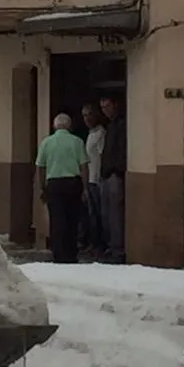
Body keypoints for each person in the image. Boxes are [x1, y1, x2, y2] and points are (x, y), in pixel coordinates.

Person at [35, 113, 90, 264]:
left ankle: (58, 253)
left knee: (57, 220)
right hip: (73, 184)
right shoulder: (77, 142)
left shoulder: (46, 143)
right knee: (72, 219)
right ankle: (71, 253)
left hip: (54, 184)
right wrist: (85, 188)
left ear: (54, 126)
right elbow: (84, 166)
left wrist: (42, 187)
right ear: (69, 126)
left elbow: (40, 166)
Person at [99, 95, 127, 264]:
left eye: (107, 105)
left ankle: (117, 248)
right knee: (107, 214)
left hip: (115, 174)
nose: (105, 110)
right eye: (102, 107)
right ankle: (111, 245)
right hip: (107, 174)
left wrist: (116, 169)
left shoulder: (121, 124)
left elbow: (121, 149)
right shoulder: (110, 125)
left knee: (116, 213)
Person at [81, 103, 107, 261]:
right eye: (84, 115)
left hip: (96, 179)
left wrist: (99, 178)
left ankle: (100, 245)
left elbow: (102, 156)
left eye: (89, 114)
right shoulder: (90, 133)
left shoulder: (100, 133)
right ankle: (93, 243)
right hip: (89, 179)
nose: (87, 118)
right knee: (91, 214)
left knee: (98, 214)